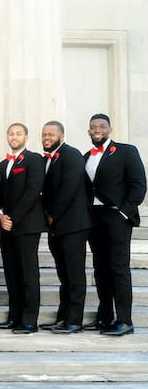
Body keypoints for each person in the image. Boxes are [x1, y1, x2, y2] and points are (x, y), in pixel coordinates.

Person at [83, 113, 146, 336]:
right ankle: (105, 316)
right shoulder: (85, 156)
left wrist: (123, 212)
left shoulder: (126, 151)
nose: (97, 129)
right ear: (89, 131)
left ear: (110, 129)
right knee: (101, 269)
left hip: (116, 216)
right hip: (94, 218)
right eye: (93, 127)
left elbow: (139, 185)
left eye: (101, 126)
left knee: (119, 268)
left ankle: (125, 320)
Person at [40, 121, 92, 334]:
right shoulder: (47, 159)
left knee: (75, 274)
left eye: (51, 134)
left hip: (73, 225)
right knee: (64, 275)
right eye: (44, 134)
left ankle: (75, 320)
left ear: (61, 135)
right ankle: (62, 317)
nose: (46, 137)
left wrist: (51, 215)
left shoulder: (72, 154)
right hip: (57, 228)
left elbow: (67, 190)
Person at [0, 123, 46, 334]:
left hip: (26, 225)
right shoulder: (2, 164)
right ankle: (14, 317)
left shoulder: (34, 160)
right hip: (5, 227)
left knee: (28, 273)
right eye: (11, 134)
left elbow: (32, 191)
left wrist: (12, 217)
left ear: (26, 137)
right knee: (11, 272)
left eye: (18, 134)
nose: (14, 137)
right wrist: (0, 215)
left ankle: (29, 320)